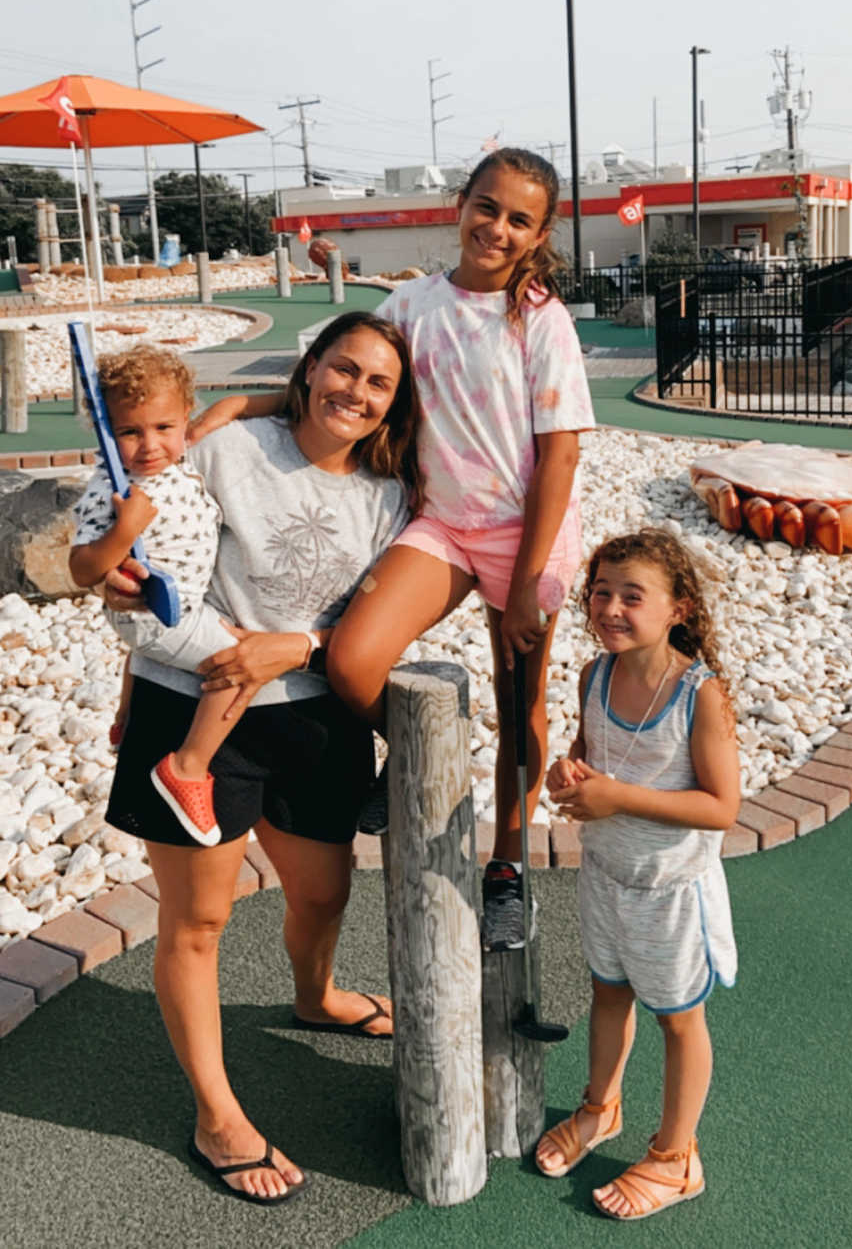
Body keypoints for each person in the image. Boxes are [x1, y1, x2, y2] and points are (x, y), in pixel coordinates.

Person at [193, 148, 596, 952]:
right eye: (487, 207)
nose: (498, 228)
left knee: (523, 705)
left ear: (541, 232)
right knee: (351, 659)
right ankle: (417, 755)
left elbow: (561, 457)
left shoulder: (539, 317)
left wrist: (524, 586)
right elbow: (351, 377)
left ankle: (508, 869)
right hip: (444, 525)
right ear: (461, 204)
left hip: (528, 539)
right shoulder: (413, 304)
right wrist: (250, 399)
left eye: (520, 219)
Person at [99, 312, 421, 1204]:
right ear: (308, 367)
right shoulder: (225, 446)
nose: (353, 392)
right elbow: (148, 557)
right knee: (197, 923)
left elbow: (370, 622)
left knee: (324, 892)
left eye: (377, 382)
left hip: (315, 719)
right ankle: (216, 1112)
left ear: (393, 402)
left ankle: (314, 995)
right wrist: (120, 606)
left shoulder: (391, 494)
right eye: (342, 369)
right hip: (191, 711)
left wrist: (301, 649)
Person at [535, 528, 739, 1222]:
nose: (611, 608)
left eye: (632, 596)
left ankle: (678, 1156)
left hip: (670, 892)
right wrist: (572, 770)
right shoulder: (597, 674)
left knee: (679, 1019)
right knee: (608, 992)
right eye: (600, 592)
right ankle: (602, 1109)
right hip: (607, 877)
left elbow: (721, 807)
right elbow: (590, 752)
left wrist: (617, 796)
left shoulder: (698, 694)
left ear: (678, 607)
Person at [70, 345, 248, 847]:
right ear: (107, 433)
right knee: (236, 666)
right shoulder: (113, 485)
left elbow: (233, 407)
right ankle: (187, 767)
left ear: (185, 420)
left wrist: (233, 406)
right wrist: (123, 533)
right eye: (130, 432)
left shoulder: (182, 459)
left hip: (185, 603)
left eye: (164, 428)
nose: (149, 445)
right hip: (150, 610)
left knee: (152, 652)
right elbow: (83, 568)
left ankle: (127, 716)